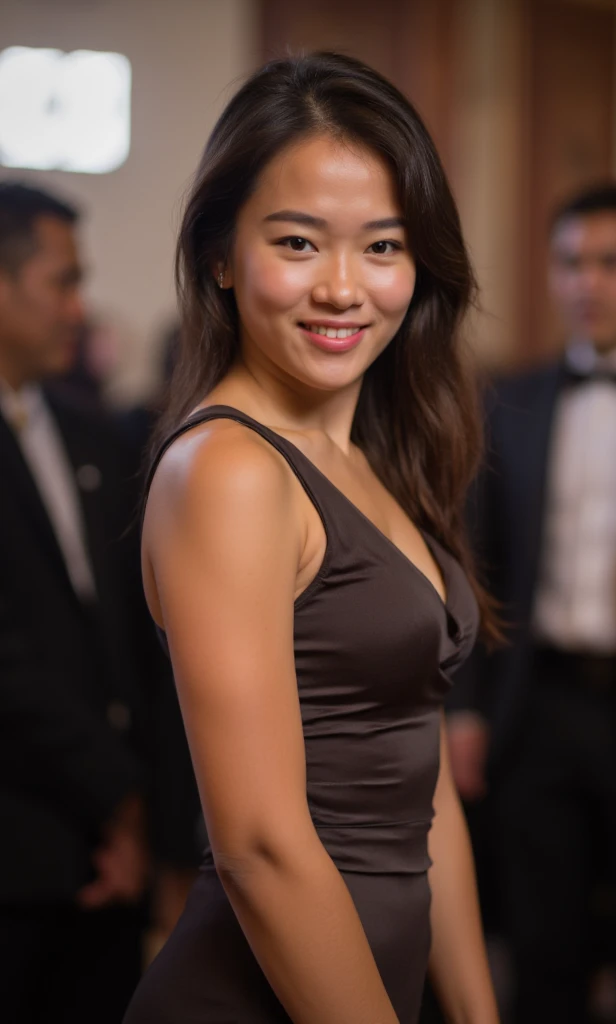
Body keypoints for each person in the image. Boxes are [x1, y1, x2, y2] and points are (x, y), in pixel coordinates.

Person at [124, 52, 500, 1024]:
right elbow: (259, 846)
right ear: (219, 255)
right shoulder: (229, 471)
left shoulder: (372, 460)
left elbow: (424, 794)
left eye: (382, 247)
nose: (344, 288)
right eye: (297, 242)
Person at [447, 183, 616, 1023]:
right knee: (540, 959)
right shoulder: (512, 399)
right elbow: (478, 563)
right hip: (534, 712)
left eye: (611, 263)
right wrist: (465, 709)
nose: (588, 282)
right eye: (571, 263)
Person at [0, 182, 151, 1021]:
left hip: (105, 855)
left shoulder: (88, 427)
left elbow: (125, 636)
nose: (80, 308)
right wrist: (118, 797)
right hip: (18, 840)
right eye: (62, 283)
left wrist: (142, 819)